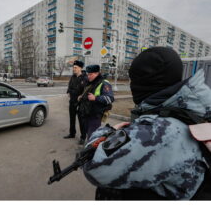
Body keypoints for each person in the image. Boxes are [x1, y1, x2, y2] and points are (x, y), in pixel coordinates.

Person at [83, 47, 211, 200]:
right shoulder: (190, 112)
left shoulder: (159, 132)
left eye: (134, 80)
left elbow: (93, 166)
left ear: (144, 82)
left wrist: (107, 131)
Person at [77, 64, 114, 141]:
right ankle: (88, 149)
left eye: (91, 74)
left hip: (95, 115)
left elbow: (110, 98)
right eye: (88, 74)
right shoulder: (90, 82)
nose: (88, 76)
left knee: (92, 136)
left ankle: (90, 152)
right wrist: (82, 96)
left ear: (97, 73)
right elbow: (87, 93)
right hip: (86, 113)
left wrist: (95, 98)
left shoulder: (104, 83)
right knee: (89, 134)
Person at [64, 60, 88, 145]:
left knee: (81, 120)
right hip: (72, 101)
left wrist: (81, 96)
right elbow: (69, 86)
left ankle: (83, 137)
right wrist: (69, 92)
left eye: (75, 68)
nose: (74, 69)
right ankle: (72, 133)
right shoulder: (73, 77)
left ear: (80, 68)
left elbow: (86, 91)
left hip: (80, 103)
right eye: (73, 67)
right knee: (72, 118)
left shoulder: (85, 78)